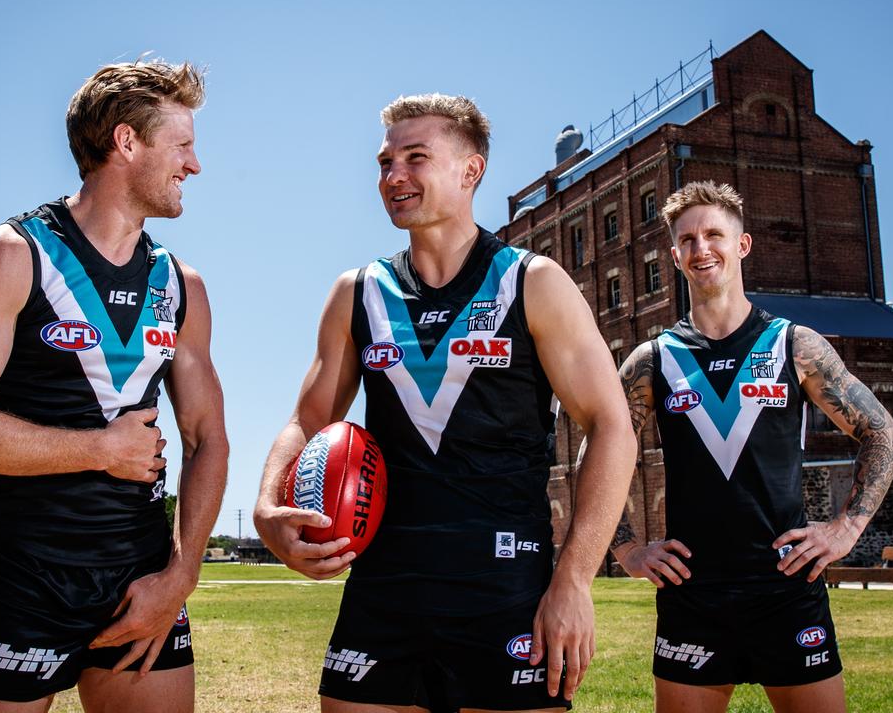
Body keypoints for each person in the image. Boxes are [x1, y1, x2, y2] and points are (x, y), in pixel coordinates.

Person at [253, 94, 636, 713]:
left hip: (505, 583)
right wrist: (269, 503)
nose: (393, 176)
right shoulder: (358, 292)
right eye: (385, 162)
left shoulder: (530, 282)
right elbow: (309, 420)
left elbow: (612, 425)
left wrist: (573, 580)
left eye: (415, 158)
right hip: (386, 581)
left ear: (470, 170)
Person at [0, 60, 228, 713]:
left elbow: (207, 438)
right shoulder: (9, 254)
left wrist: (181, 576)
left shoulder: (182, 285)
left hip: (139, 579)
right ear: (127, 142)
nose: (194, 166)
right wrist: (99, 449)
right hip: (21, 579)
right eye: (183, 145)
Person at [606, 181, 893, 712]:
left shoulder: (794, 344)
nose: (702, 249)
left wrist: (846, 528)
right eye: (689, 240)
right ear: (674, 256)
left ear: (742, 245)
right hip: (693, 592)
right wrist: (628, 549)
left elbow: (882, 433)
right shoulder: (653, 359)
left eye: (714, 234)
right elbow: (598, 456)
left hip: (786, 587)